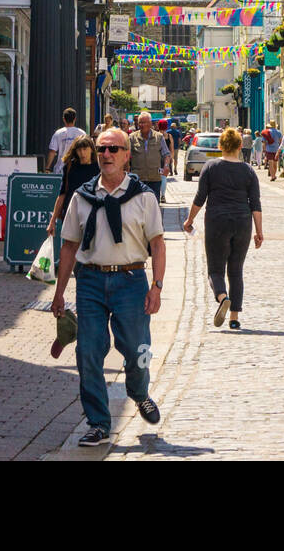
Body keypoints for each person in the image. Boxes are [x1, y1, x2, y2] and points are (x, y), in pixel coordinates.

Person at [51, 127, 166, 447]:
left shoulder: (143, 196)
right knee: (87, 351)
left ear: (127, 155)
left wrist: (156, 286)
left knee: (137, 349)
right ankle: (98, 422)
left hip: (131, 281)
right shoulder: (82, 196)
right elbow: (69, 246)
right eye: (102, 149)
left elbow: (158, 244)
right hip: (89, 280)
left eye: (114, 149)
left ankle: (139, 392)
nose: (106, 155)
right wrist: (59, 292)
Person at [183, 127, 263, 330]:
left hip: (217, 221)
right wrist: (259, 231)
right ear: (239, 146)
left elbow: (200, 197)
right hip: (242, 222)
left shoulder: (211, 167)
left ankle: (222, 297)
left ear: (220, 146)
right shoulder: (248, 171)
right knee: (236, 270)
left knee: (215, 269)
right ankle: (234, 318)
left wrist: (189, 220)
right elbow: (255, 203)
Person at [47, 135, 100, 266]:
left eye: (85, 149)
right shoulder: (70, 167)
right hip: (71, 213)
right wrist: (52, 221)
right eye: (79, 150)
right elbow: (62, 194)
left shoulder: (98, 168)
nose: (82, 153)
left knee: (90, 251)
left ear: (91, 149)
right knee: (72, 250)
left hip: (92, 214)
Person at [129, 111, 172, 202]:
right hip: (137, 179)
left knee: (154, 208)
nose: (141, 125)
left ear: (150, 123)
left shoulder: (159, 137)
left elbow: (167, 154)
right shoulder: (132, 137)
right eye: (140, 122)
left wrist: (166, 166)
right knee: (138, 208)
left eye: (144, 122)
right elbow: (126, 156)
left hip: (154, 179)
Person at [45, 108, 84, 173]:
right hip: (77, 169)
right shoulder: (81, 133)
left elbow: (52, 151)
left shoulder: (58, 133)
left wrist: (47, 168)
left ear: (64, 119)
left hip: (60, 170)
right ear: (75, 119)